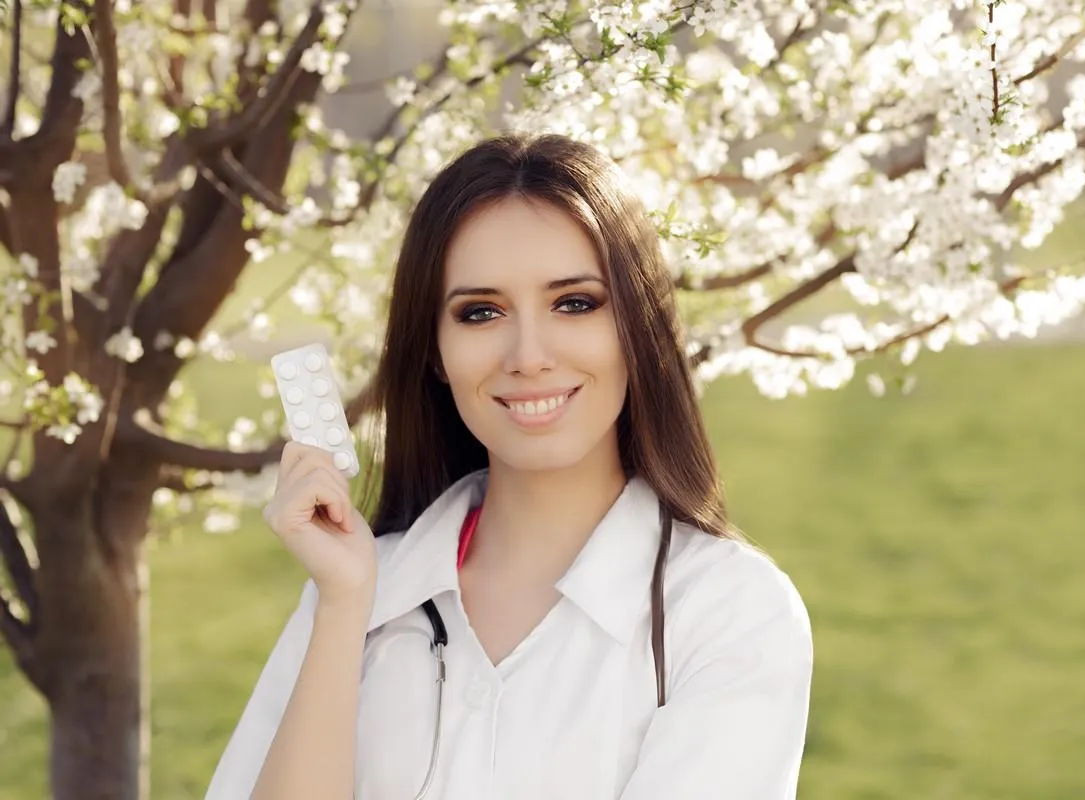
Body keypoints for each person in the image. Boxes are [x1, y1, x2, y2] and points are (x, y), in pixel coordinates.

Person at [204, 132, 813, 800]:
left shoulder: (728, 612)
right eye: (481, 312)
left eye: (574, 303)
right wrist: (347, 604)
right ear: (434, 350)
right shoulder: (355, 595)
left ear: (637, 326)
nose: (528, 355)